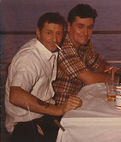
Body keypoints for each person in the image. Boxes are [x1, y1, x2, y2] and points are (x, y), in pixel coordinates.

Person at [5, 12, 82, 142]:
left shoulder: (49, 50)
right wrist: (58, 110)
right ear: (38, 33)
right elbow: (15, 95)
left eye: (58, 33)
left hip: (43, 117)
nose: (55, 39)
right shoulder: (30, 58)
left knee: (79, 132)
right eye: (49, 33)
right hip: (24, 124)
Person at [53, 4, 121, 106]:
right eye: (80, 27)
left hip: (78, 99)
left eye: (89, 27)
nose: (85, 33)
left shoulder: (83, 44)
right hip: (62, 109)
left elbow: (98, 62)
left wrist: (107, 67)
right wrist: (118, 77)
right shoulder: (64, 48)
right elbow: (89, 79)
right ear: (69, 27)